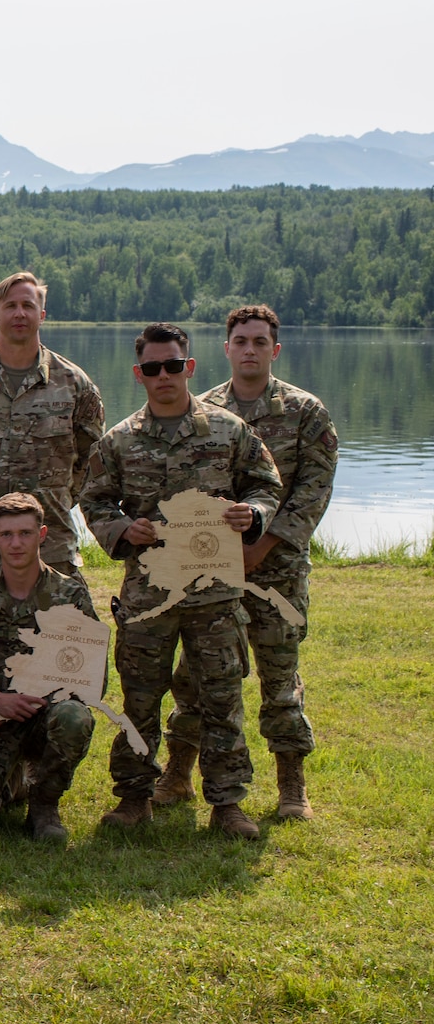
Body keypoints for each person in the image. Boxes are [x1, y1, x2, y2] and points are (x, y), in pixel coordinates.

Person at [79, 323, 283, 839]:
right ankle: (133, 797)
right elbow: (94, 500)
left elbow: (266, 485)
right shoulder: (119, 441)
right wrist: (125, 528)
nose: (163, 375)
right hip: (148, 595)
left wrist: (252, 515)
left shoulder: (229, 430)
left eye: (173, 365)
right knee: (140, 700)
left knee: (221, 697)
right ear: (139, 374)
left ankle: (228, 804)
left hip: (214, 592)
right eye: (153, 368)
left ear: (189, 367)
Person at [159, 304, 336, 819]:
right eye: (242, 341)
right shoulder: (203, 410)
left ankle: (291, 787)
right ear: (227, 348)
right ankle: (177, 775)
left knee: (279, 676)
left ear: (274, 350)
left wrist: (264, 546)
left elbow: (312, 492)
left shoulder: (306, 412)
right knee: (196, 674)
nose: (250, 350)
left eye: (261, 342)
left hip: (277, 569)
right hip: (211, 569)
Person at [0, 492, 99, 843]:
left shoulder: (70, 596)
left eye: (25, 533)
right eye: (7, 535)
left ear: (42, 535)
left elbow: (88, 676)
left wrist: (28, 702)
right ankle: (11, 780)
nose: (16, 543)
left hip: (46, 719)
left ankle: (43, 804)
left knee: (74, 716)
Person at [0, 272, 105, 583]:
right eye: (10, 306)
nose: (19, 314)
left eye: (28, 306)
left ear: (42, 315)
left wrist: (57, 500)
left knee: (55, 630)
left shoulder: (74, 384)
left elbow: (91, 459)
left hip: (51, 543)